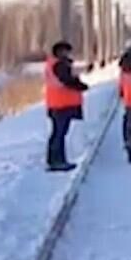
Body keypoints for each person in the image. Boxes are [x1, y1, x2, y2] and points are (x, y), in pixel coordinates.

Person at [42, 40, 88, 172]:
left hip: (57, 103)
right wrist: (81, 86)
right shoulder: (59, 65)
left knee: (58, 133)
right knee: (59, 134)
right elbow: (67, 80)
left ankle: (54, 160)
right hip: (61, 104)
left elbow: (69, 77)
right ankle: (58, 161)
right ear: (59, 52)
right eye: (65, 51)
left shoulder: (55, 64)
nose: (67, 53)